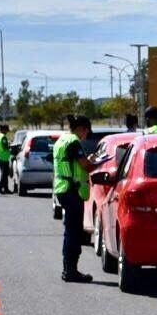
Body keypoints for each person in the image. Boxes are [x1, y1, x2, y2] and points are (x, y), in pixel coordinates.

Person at [53, 115, 102, 282]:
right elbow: (85, 166)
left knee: (70, 231)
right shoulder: (74, 142)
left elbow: (74, 163)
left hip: (63, 188)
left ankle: (68, 269)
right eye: (86, 131)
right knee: (73, 233)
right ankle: (71, 271)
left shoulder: (62, 140)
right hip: (72, 190)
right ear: (82, 128)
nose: (86, 135)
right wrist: (98, 162)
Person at [0, 124, 13, 194]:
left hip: (0, 156)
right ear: (3, 130)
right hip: (4, 157)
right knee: (4, 174)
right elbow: (5, 147)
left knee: (5, 173)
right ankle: (0, 188)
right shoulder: (3, 137)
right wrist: (10, 147)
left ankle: (6, 189)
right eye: (6, 130)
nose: (7, 132)